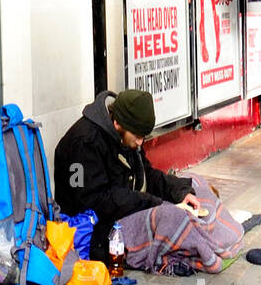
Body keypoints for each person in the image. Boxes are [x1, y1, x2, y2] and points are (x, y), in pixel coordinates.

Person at [54, 89, 243, 275]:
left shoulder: (126, 135)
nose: (139, 142)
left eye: (143, 136)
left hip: (128, 205)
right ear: (117, 123)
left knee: (196, 185)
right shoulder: (84, 143)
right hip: (99, 229)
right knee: (172, 215)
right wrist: (156, 203)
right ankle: (208, 251)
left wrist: (179, 192)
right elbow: (94, 202)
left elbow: (147, 174)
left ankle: (221, 238)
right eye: (136, 136)